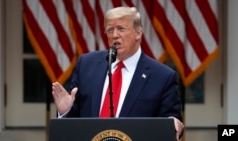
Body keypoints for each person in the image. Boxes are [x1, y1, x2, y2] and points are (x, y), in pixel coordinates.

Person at [52, 6, 184, 140]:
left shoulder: (162, 76)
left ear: (138, 33)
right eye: (110, 30)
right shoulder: (86, 65)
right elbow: (73, 122)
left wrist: (172, 122)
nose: (115, 35)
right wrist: (66, 111)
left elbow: (171, 119)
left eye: (121, 28)